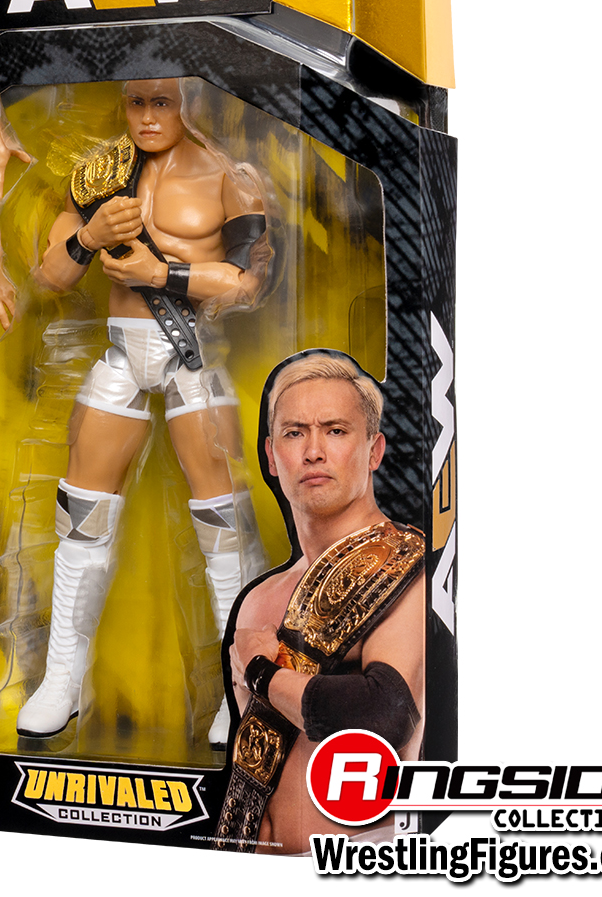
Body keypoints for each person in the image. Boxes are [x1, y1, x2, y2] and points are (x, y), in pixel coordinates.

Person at [0, 79, 270, 743]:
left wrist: (163, 276)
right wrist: (89, 236)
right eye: (137, 102)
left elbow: (247, 284)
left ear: (189, 102)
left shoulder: (230, 179)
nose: (148, 116)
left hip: (192, 356)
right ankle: (62, 680)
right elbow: (50, 276)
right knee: (81, 515)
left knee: (223, 521)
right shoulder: (99, 173)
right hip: (122, 355)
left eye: (163, 102)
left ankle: (239, 688)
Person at [215, 351, 425, 853]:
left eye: (335, 431)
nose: (313, 451)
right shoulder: (258, 601)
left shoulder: (405, 569)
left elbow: (384, 715)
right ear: (272, 457)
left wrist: (262, 673)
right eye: (294, 433)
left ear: (374, 450)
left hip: (352, 870)